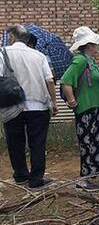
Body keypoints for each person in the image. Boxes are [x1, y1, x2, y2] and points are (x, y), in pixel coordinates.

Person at [0, 25, 58, 189]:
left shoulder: (2, 53)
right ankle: (36, 179)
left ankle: (20, 175)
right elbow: (49, 81)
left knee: (15, 142)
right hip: (38, 106)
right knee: (37, 143)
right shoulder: (39, 56)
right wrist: (53, 103)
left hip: (12, 106)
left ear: (12, 37)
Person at [60, 26, 99, 192]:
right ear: (89, 45)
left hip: (98, 108)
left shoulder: (91, 61)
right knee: (88, 142)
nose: (97, 46)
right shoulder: (80, 60)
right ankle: (85, 179)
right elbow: (66, 81)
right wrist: (72, 101)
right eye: (95, 44)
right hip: (86, 110)